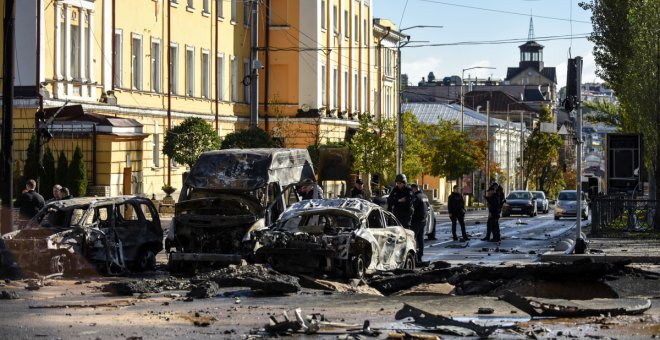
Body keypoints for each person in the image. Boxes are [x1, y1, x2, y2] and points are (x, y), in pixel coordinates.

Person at [410, 183, 428, 261]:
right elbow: (428, 207)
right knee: (420, 238)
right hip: (423, 220)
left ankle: (414, 256)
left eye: (412, 190)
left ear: (414, 189)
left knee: (412, 238)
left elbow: (412, 208)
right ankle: (420, 255)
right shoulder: (424, 196)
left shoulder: (416, 197)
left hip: (416, 220)